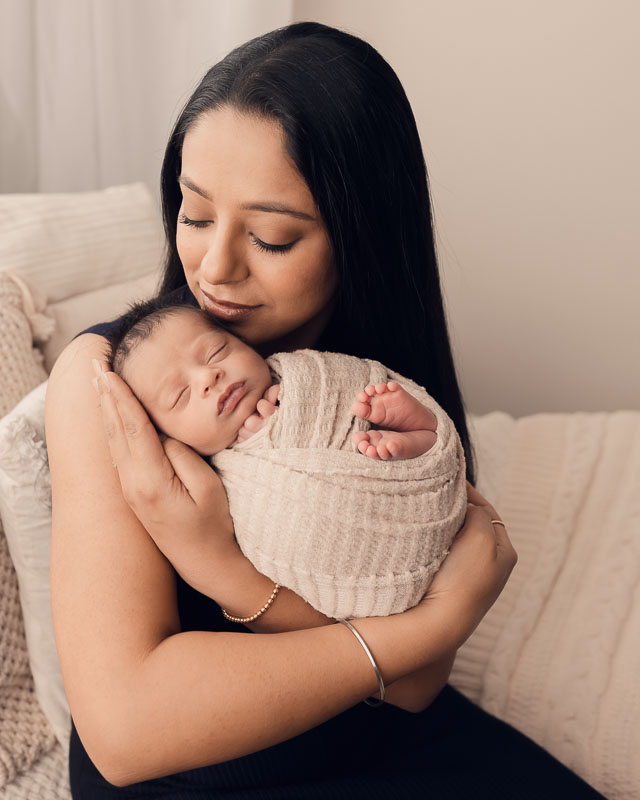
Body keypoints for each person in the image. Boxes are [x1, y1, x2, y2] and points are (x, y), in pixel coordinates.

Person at [45, 21, 603, 799]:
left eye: (270, 236)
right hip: (197, 767)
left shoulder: (372, 381)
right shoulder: (116, 379)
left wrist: (237, 576)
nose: (212, 266)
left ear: (361, 238)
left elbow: (414, 688)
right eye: (196, 214)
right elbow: (126, 730)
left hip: (377, 733)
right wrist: (425, 632)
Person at [104, 297, 465, 620]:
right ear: (167, 438)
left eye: (216, 352)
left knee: (372, 402)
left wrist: (292, 415)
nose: (208, 376)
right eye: (180, 395)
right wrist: (263, 442)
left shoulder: (304, 373)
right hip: (359, 553)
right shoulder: (218, 480)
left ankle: (420, 438)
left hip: (414, 486)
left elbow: (345, 382)